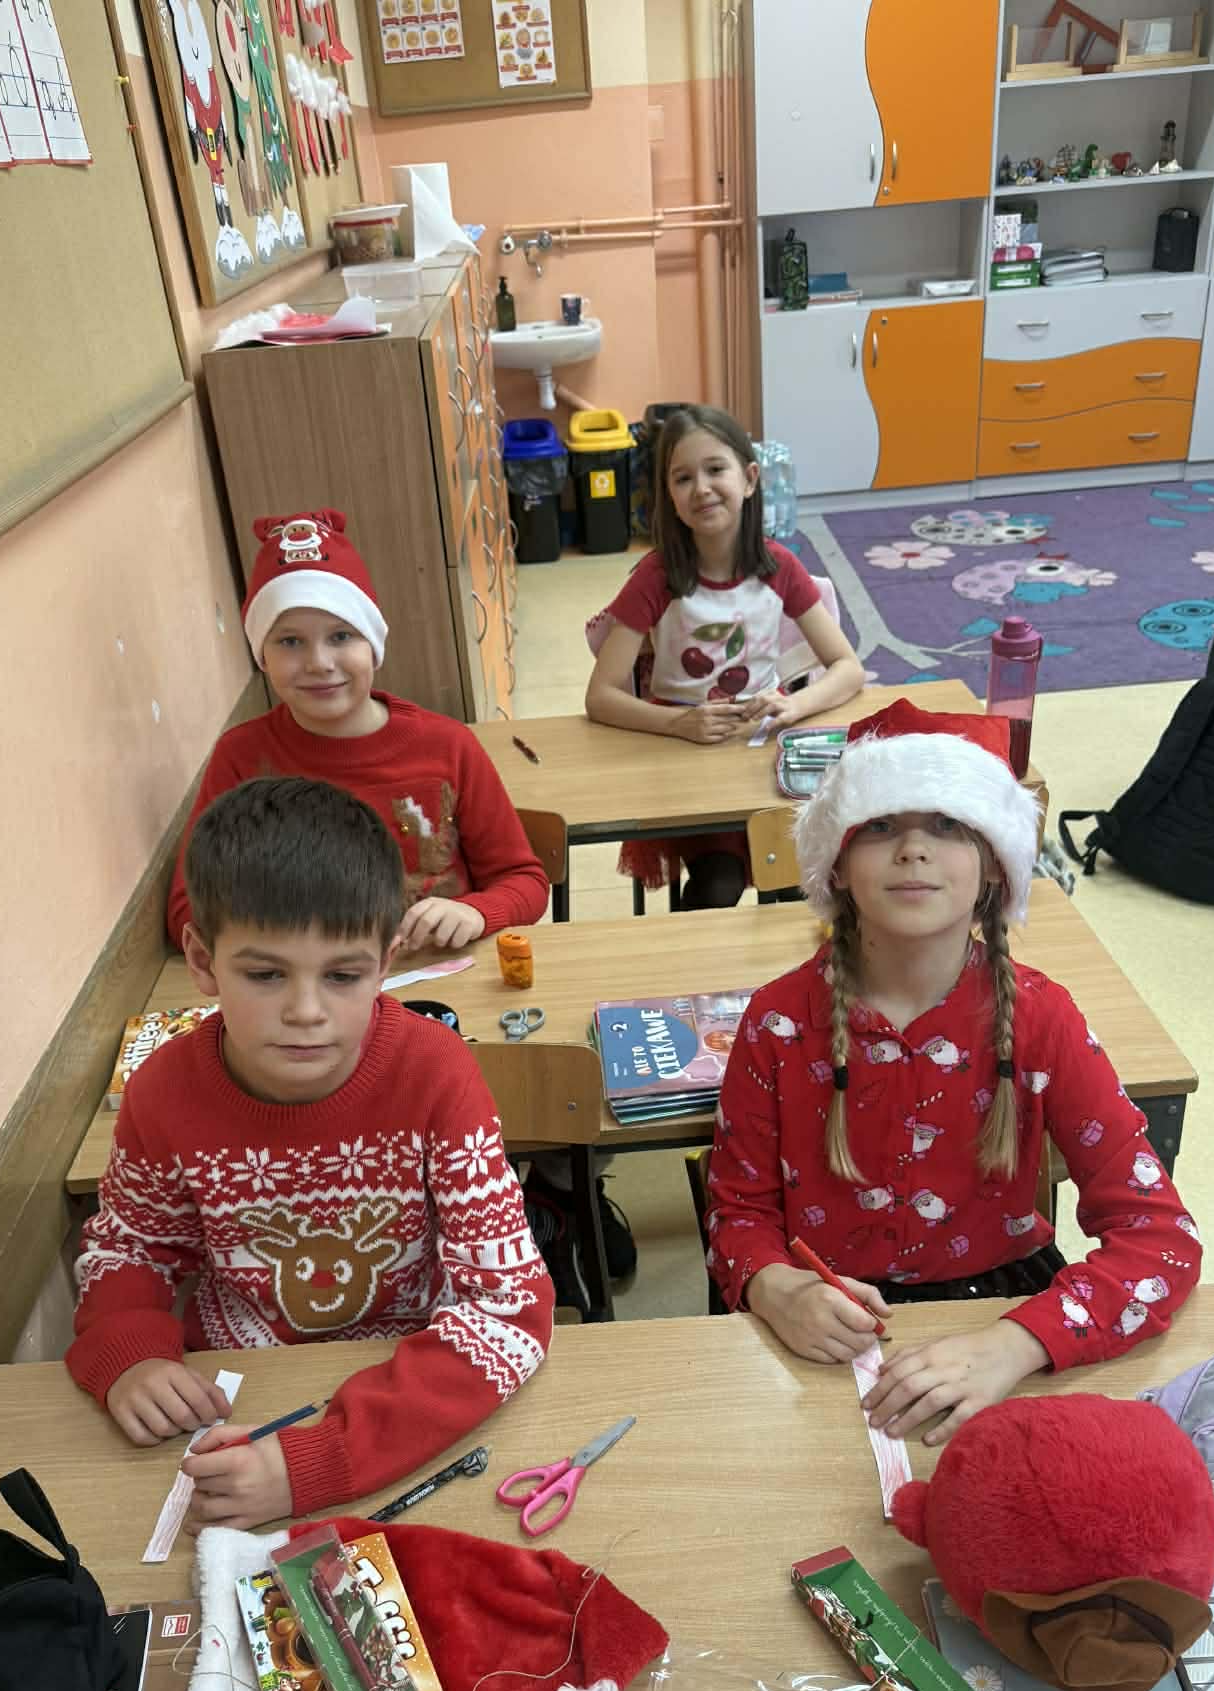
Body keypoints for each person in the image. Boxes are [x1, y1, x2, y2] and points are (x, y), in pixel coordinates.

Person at [706, 698, 1203, 1691]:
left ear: (994, 866)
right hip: (823, 1337)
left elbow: (1161, 1239)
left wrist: (1018, 1343)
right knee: (815, 1581)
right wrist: (768, 1284)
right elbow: (737, 1216)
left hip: (1004, 1321)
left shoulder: (1043, 1018)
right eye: (883, 827)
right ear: (838, 864)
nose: (915, 848)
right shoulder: (778, 1020)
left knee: (1040, 1562)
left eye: (946, 826)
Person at [70, 777, 553, 1530]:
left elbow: (509, 1310)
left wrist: (319, 1461)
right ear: (202, 960)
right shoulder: (162, 1092)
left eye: (343, 976)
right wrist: (129, 1354)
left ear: (387, 961)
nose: (305, 1011)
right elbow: (130, 1249)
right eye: (265, 975)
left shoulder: (436, 1073)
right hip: (235, 1393)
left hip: (413, 1379)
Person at [165, 510, 549, 952]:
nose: (319, 663)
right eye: (290, 641)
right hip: (309, 984)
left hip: (440, 972)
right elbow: (188, 910)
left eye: (342, 636)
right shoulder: (241, 757)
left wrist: (477, 912)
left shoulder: (449, 746)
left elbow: (524, 881)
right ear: (262, 657)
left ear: (374, 645)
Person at [583, 404, 863, 910]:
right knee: (717, 884)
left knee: (800, 884)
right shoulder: (656, 577)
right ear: (669, 495)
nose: (702, 488)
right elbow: (600, 697)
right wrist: (679, 724)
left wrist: (794, 705)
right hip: (683, 757)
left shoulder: (779, 567)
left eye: (716, 469)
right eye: (683, 478)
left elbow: (848, 668)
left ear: (750, 479)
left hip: (761, 753)